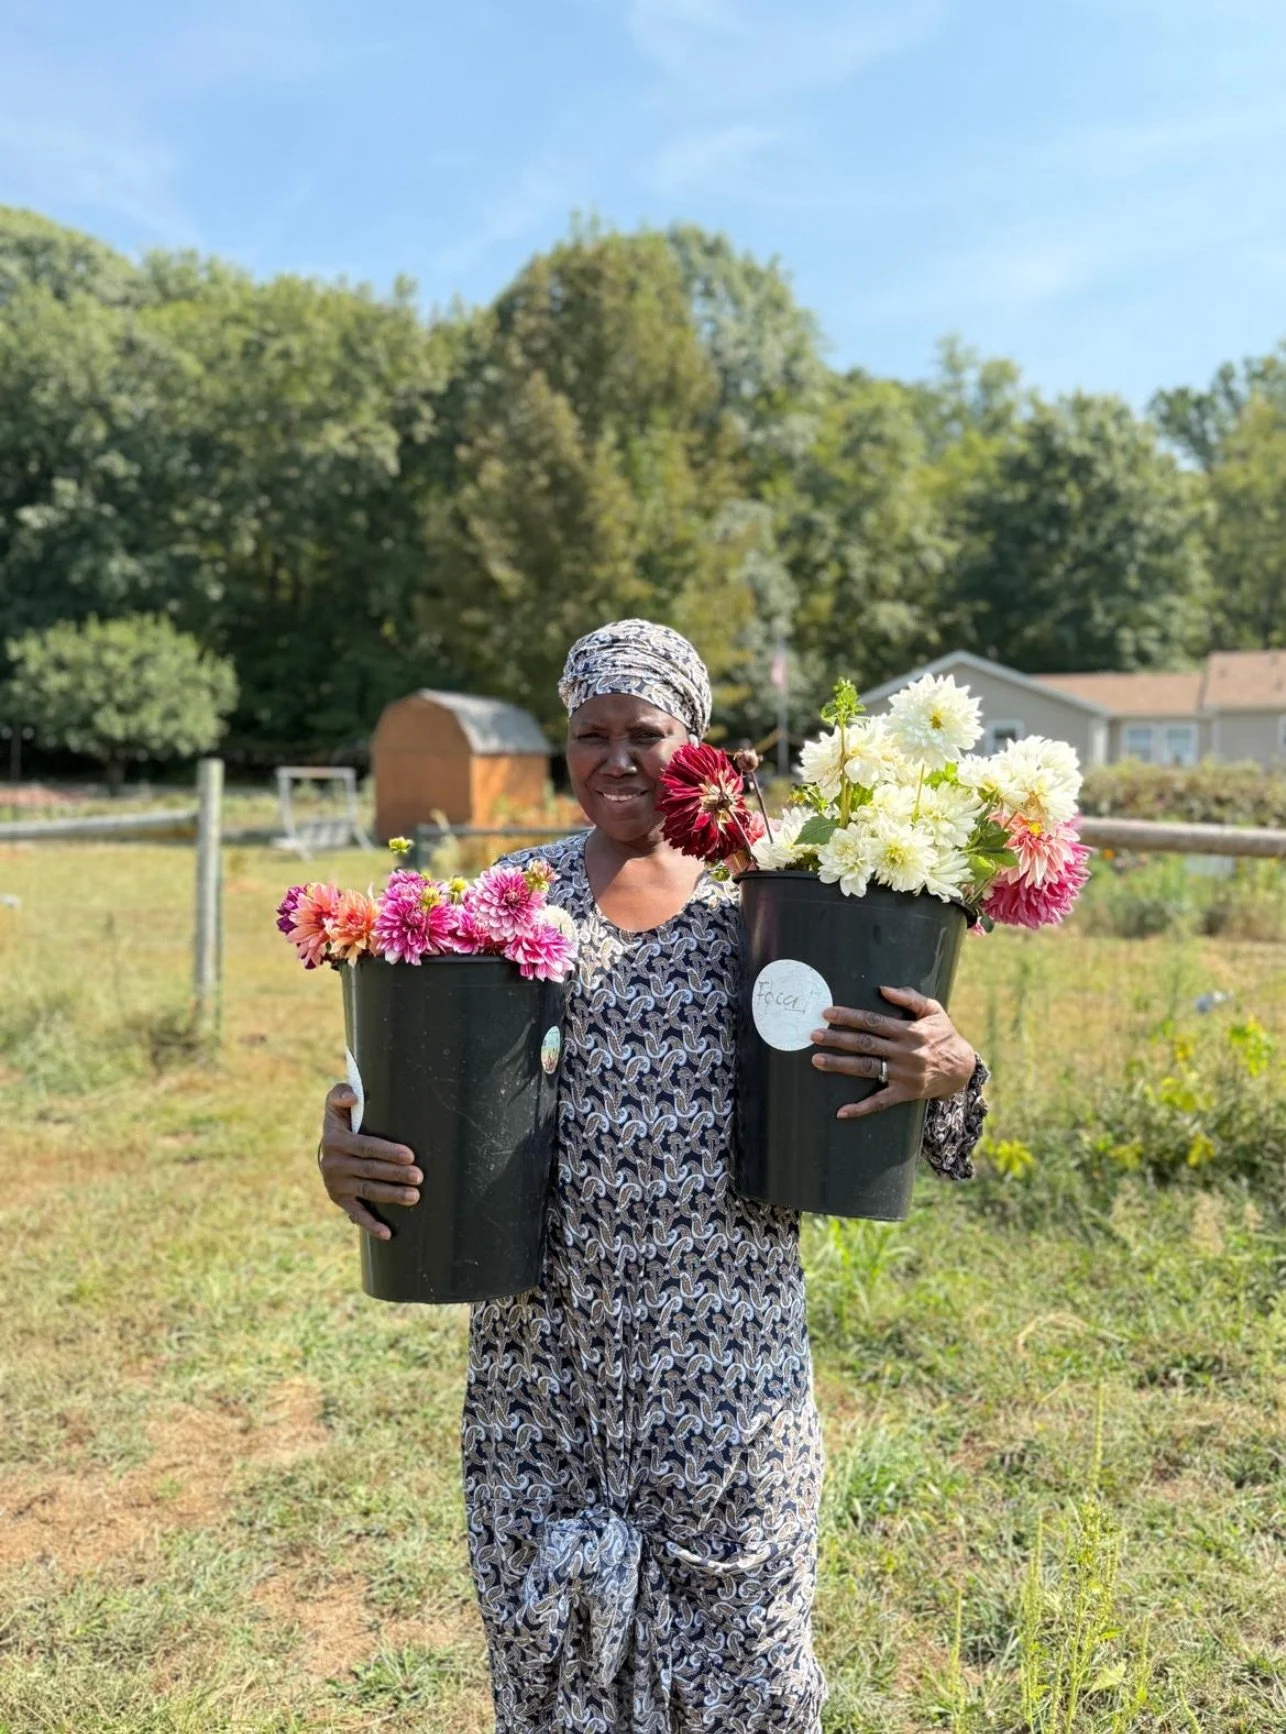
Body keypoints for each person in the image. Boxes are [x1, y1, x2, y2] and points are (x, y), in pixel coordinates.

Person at [317, 620, 988, 1733]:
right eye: (591, 734)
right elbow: (396, 1067)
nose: (616, 758)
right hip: (544, 1374)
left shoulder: (780, 895)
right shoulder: (507, 903)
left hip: (725, 1375)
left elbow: (924, 1114)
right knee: (552, 1665)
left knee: (748, 1677)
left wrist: (950, 1067)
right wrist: (345, 1136)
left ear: (700, 744)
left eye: (646, 731)